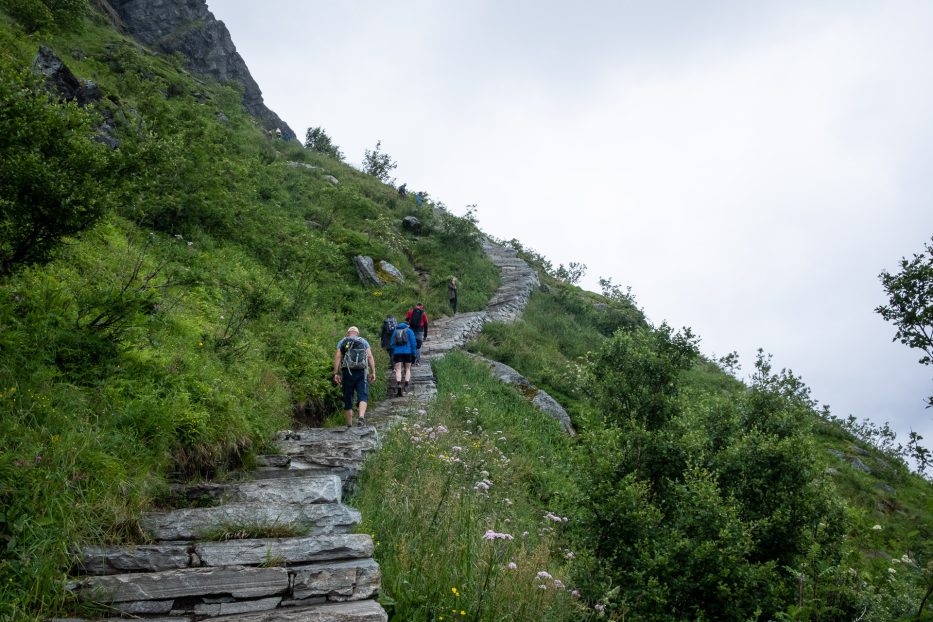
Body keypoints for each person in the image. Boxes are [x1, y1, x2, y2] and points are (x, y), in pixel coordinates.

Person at [333, 326, 376, 427]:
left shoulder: (343, 341)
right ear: (357, 333)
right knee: (363, 395)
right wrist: (373, 372)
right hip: (362, 372)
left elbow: (338, 357)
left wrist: (336, 373)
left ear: (348, 333)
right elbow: (369, 356)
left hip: (347, 372)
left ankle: (349, 425)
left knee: (348, 397)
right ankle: (361, 417)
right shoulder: (363, 341)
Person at [389, 320, 418, 397]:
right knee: (408, 369)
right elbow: (413, 343)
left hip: (397, 353)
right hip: (407, 352)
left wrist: (394, 351)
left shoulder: (395, 331)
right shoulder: (409, 331)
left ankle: (398, 384)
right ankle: (406, 384)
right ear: (407, 325)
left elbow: (391, 344)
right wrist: (414, 354)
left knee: (398, 369)